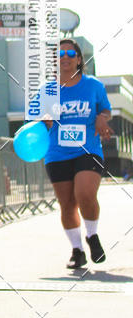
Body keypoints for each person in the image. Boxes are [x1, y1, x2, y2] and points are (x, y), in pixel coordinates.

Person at [44, 39, 112, 269]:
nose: (65, 56)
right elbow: (37, 124)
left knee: (85, 194)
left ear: (79, 59)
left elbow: (105, 109)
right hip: (57, 153)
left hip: (88, 150)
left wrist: (102, 118)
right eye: (60, 53)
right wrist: (44, 120)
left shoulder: (93, 85)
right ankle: (77, 250)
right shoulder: (48, 90)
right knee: (67, 204)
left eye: (70, 53)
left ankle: (92, 235)